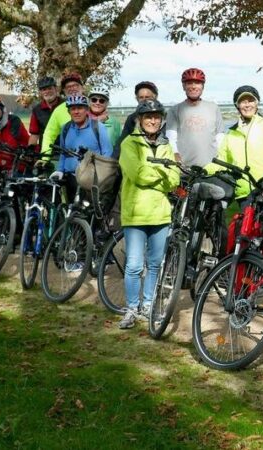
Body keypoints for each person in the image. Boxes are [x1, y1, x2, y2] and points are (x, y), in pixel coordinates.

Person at [116, 99, 181, 329]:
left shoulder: (165, 146)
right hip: (135, 214)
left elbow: (175, 179)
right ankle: (132, 307)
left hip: (161, 214)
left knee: (155, 264)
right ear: (139, 120)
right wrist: (162, 172)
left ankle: (148, 304)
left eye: (156, 117)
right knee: (134, 265)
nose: (153, 121)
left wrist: (161, 173)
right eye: (148, 117)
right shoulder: (129, 144)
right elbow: (138, 174)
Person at [214, 85, 263, 201]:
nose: (247, 105)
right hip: (242, 194)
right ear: (237, 105)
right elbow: (221, 161)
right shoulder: (231, 134)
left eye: (251, 101)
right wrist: (204, 170)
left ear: (257, 104)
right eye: (243, 102)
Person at [48, 94, 112, 203]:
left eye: (80, 108)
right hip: (70, 179)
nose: (76, 112)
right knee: (69, 210)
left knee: (89, 215)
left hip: (91, 179)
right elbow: (64, 153)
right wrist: (59, 170)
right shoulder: (65, 128)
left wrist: (102, 177)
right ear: (69, 112)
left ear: (87, 109)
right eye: (73, 109)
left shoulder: (97, 127)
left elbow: (107, 152)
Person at [165, 68, 224, 167]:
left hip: (212, 166)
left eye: (197, 83)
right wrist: (176, 155)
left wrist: (219, 158)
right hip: (185, 168)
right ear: (183, 86)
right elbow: (171, 138)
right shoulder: (174, 110)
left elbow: (220, 137)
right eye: (189, 83)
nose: (193, 86)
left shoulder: (213, 108)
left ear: (203, 86)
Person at [40, 72, 86, 159]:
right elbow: (49, 135)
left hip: (91, 159)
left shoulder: (94, 105)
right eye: (68, 87)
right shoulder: (59, 110)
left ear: (82, 88)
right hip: (69, 158)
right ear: (64, 91)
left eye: (75, 85)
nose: (72, 89)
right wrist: (45, 159)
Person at [0, 96, 30, 174]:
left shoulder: (13, 120)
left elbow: (11, 145)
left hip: (22, 161)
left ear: (2, 109)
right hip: (8, 162)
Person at [117, 81, 159, 156]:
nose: (144, 100)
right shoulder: (131, 119)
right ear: (137, 99)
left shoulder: (164, 119)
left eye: (147, 97)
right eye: (141, 97)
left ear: (155, 97)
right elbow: (121, 142)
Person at [28, 76, 63, 149]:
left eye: (50, 88)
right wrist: (30, 149)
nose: (47, 91)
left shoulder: (66, 105)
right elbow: (34, 134)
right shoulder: (37, 110)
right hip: (46, 150)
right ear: (40, 92)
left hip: (66, 150)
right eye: (44, 89)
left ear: (56, 89)